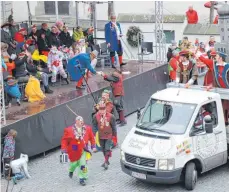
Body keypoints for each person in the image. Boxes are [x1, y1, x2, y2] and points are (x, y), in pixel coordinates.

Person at [61, 116, 89, 186]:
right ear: (76, 121)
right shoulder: (69, 130)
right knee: (74, 164)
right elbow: (64, 140)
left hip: (83, 149)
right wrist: (64, 148)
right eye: (80, 121)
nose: (81, 122)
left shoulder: (85, 129)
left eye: (82, 121)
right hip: (74, 149)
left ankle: (82, 178)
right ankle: (71, 170)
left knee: (83, 165)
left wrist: (92, 146)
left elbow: (89, 136)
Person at [206, 52, 229, 125]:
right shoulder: (215, 66)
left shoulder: (227, 67)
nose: (215, 57)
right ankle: (224, 122)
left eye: (217, 56)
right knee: (221, 106)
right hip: (220, 90)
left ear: (221, 58)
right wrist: (211, 85)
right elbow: (215, 79)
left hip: (227, 90)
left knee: (226, 106)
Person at [92, 102, 117, 170]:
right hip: (100, 135)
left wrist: (114, 136)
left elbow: (114, 126)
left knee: (107, 149)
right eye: (100, 110)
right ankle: (107, 160)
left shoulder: (111, 116)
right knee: (103, 149)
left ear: (105, 109)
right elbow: (94, 125)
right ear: (99, 110)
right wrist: (94, 134)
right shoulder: (95, 116)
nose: (102, 111)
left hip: (109, 135)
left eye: (103, 110)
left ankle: (106, 163)